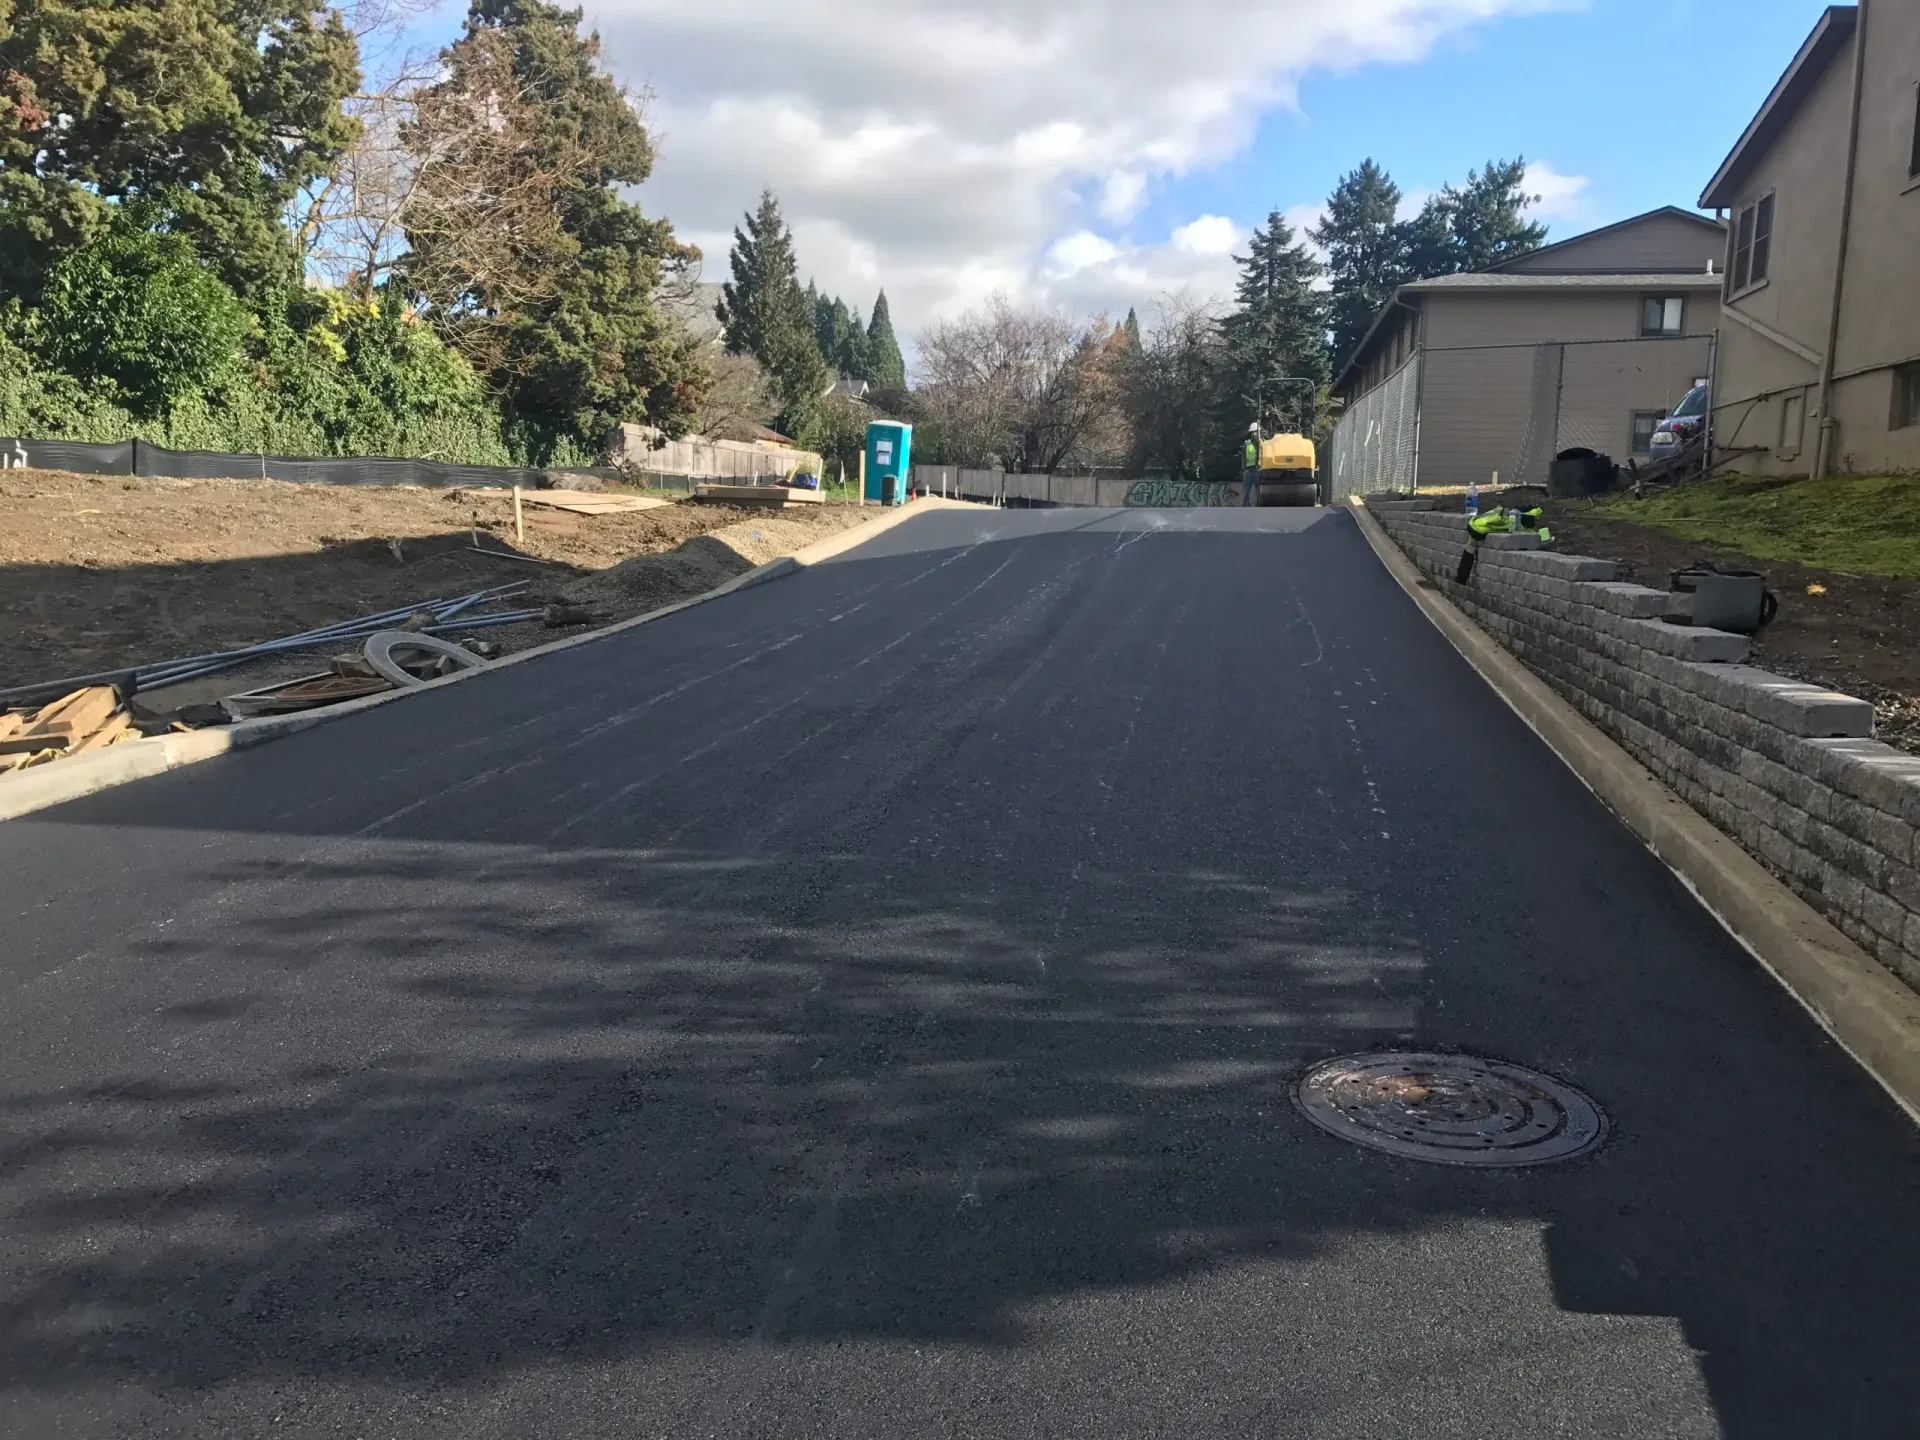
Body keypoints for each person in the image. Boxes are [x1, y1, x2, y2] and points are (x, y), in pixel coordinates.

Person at [1241, 425, 1260, 507]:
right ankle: (1245, 505)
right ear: (1251, 433)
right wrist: (1244, 469)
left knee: (1259, 490)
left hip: (1258, 469)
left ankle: (1259, 505)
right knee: (1246, 490)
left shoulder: (1261, 443)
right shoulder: (1247, 443)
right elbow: (1244, 457)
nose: (1255, 434)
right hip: (1249, 470)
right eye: (1254, 432)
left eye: (1256, 432)